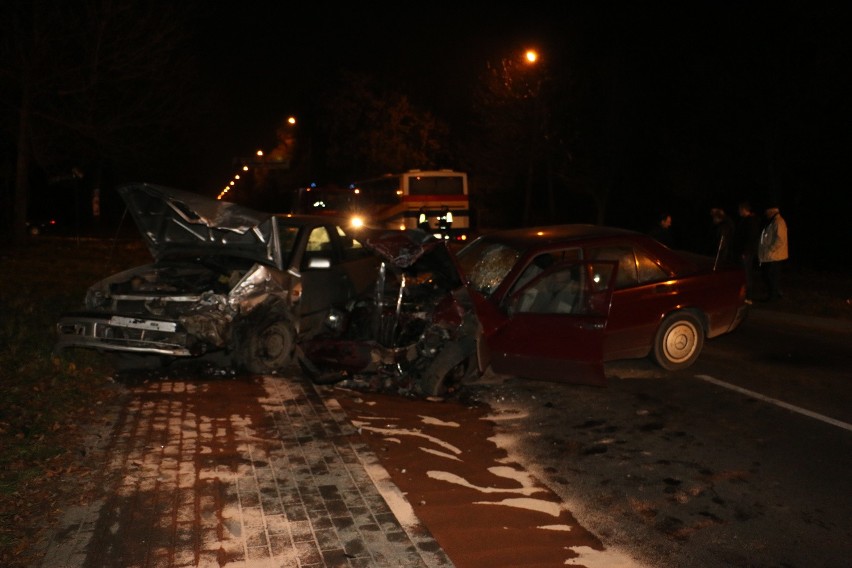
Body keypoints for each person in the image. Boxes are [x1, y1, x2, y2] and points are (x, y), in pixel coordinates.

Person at [758, 203, 788, 301]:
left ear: (772, 211)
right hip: (772, 255)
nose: (766, 213)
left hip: (775, 256)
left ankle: (773, 297)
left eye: (767, 211)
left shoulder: (778, 222)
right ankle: (775, 294)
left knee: (771, 276)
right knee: (770, 276)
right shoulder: (773, 221)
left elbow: (780, 239)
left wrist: (770, 249)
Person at [734, 200, 761, 302]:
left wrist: (746, 251)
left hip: (747, 253)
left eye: (740, 210)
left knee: (746, 273)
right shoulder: (746, 220)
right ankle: (744, 295)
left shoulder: (751, 221)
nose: (738, 212)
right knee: (744, 273)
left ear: (744, 210)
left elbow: (751, 238)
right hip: (745, 251)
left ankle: (748, 296)